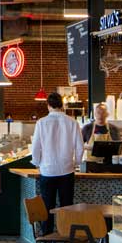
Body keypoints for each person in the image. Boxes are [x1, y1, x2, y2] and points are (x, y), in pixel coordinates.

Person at [29, 92, 84, 233]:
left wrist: (37, 163)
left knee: (47, 205)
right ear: (62, 105)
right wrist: (76, 163)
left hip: (47, 171)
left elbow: (35, 148)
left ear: (48, 106)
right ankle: (67, 237)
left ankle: (47, 241)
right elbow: (80, 146)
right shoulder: (72, 122)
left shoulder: (41, 123)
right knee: (67, 206)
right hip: (67, 170)